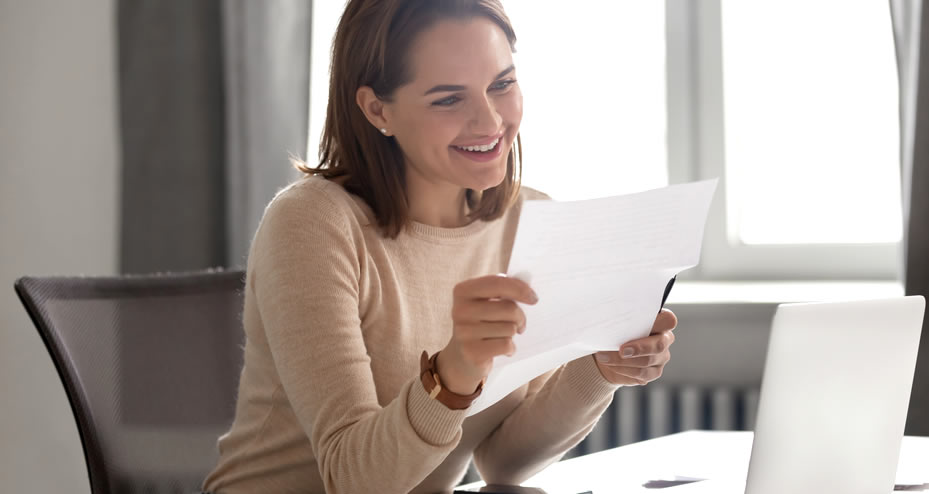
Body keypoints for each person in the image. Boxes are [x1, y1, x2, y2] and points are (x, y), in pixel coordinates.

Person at [202, 0, 677, 493]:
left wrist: (598, 368)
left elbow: (504, 464)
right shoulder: (312, 224)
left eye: (503, 84)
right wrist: (452, 373)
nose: (489, 121)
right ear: (376, 109)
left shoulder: (530, 221)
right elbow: (351, 479)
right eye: (449, 99)